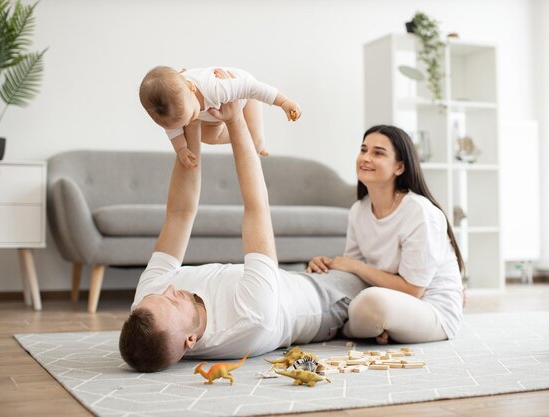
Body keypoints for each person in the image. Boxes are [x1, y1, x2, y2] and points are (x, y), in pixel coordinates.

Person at [119, 100, 367, 373]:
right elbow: (256, 207)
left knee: (360, 267)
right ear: (190, 341)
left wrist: (189, 120)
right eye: (173, 302)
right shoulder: (249, 318)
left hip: (291, 277)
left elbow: (179, 212)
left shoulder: (148, 304)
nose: (168, 290)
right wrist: (236, 121)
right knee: (381, 293)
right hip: (324, 302)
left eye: (158, 295)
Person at [307, 125, 465, 345]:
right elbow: (353, 277)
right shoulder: (358, 210)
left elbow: (413, 290)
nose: (366, 158)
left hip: (432, 311)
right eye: (363, 150)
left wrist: (353, 266)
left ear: (400, 167)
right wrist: (328, 265)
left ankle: (351, 328)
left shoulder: (419, 211)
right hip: (388, 303)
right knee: (347, 298)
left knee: (372, 303)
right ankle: (368, 327)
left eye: (378, 153)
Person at [139, 66, 301, 168]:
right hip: (212, 113)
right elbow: (173, 129)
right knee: (209, 137)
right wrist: (181, 148)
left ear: (191, 87)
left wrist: (284, 102)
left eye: (189, 117)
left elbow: (253, 88)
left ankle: (259, 146)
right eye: (183, 122)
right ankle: (233, 131)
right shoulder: (174, 105)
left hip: (245, 95)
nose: (187, 123)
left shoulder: (215, 88)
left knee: (254, 140)